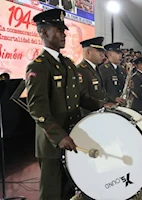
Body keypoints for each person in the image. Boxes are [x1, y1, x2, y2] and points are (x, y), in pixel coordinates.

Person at [26, 9, 112, 200]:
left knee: (70, 191)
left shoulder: (67, 64)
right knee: (52, 193)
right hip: (53, 142)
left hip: (73, 136)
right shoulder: (38, 66)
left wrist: (102, 105)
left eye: (63, 30)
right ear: (43, 32)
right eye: (58, 29)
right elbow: (37, 108)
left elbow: (81, 97)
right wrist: (59, 136)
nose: (63, 33)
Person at [76, 37, 107, 107]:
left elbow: (101, 92)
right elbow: (82, 97)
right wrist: (102, 104)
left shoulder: (96, 68)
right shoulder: (80, 70)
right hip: (88, 114)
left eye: (102, 52)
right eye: (99, 51)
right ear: (88, 52)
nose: (102, 55)